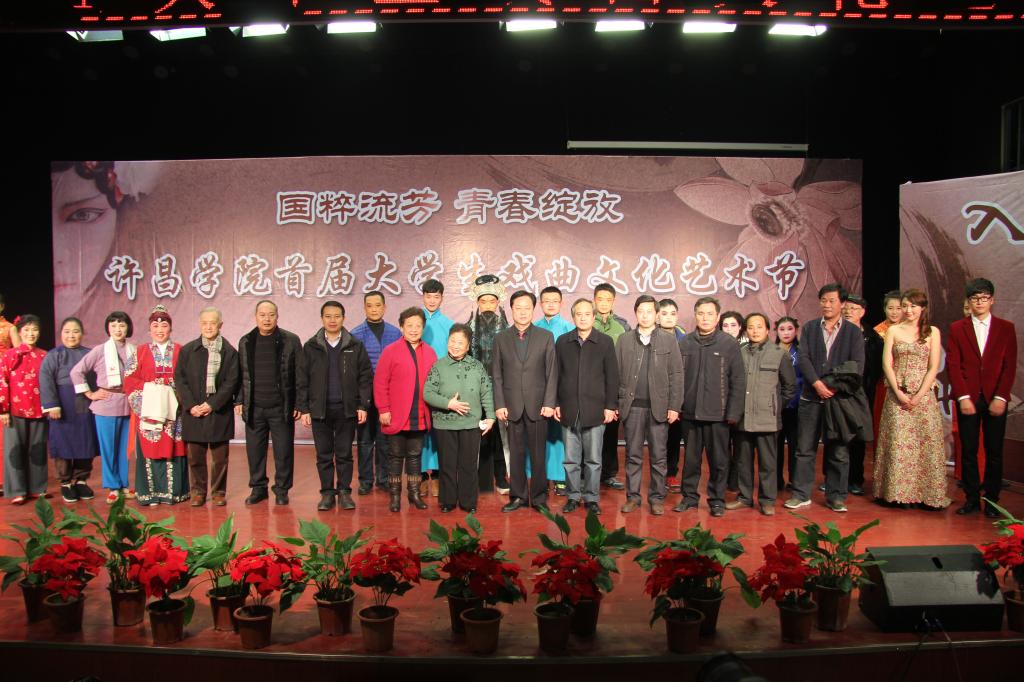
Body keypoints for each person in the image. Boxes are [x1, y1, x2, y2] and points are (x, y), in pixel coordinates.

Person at [788, 283, 865, 514]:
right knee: (804, 448)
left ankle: (836, 496)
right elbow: (803, 358)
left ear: (843, 303)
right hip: (811, 398)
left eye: (832, 300)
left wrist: (831, 386)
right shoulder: (811, 327)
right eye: (823, 300)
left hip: (838, 400)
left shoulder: (853, 332)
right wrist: (817, 383)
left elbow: (856, 366)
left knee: (838, 450)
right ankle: (800, 494)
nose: (827, 305)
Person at [873, 289, 950, 511]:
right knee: (898, 443)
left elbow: (933, 367)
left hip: (923, 395)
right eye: (905, 305)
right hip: (897, 393)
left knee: (925, 443)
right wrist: (898, 393)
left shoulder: (933, 332)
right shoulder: (893, 330)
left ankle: (927, 494)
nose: (908, 310)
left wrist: (919, 395)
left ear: (922, 308)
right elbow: (887, 364)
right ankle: (897, 494)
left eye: (913, 306)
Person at [947, 278, 1017, 517]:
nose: (979, 302)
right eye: (975, 298)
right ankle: (972, 499)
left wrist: (1001, 397)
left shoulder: (1006, 328)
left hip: (995, 397)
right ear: (968, 301)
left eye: (984, 298)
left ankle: (993, 501)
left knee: (994, 451)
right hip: (969, 397)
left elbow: (1009, 366)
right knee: (968, 451)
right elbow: (953, 365)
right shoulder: (958, 328)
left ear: (992, 300)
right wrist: (963, 397)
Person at [298, 301, 373, 512]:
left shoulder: (355, 345)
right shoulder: (311, 346)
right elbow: (302, 379)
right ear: (322, 318)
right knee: (323, 454)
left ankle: (344, 492)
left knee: (344, 454)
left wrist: (362, 405)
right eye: (328, 316)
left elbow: (365, 378)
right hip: (319, 410)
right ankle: (327, 494)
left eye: (337, 316)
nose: (332, 320)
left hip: (346, 409)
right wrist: (304, 408)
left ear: (343, 318)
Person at [674, 298, 745, 516]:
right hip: (690, 413)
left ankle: (717, 500)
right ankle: (689, 498)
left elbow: (738, 380)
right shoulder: (685, 342)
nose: (705, 318)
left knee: (719, 461)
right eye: (701, 313)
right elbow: (676, 378)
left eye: (709, 314)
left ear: (717, 317)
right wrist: (677, 407)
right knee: (691, 461)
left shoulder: (728, 344)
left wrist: (733, 412)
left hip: (718, 414)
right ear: (695, 315)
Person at [617, 295, 683, 516]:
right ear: (636, 313)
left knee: (658, 456)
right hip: (632, 407)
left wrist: (674, 406)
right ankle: (633, 497)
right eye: (640, 311)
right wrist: (616, 403)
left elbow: (676, 374)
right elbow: (616, 373)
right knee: (633, 455)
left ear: (656, 315)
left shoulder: (668, 340)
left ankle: (656, 498)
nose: (645, 316)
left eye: (649, 312)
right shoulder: (624, 340)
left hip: (659, 408)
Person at [493, 290, 558, 513]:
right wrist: (500, 404)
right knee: (516, 455)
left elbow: (552, 372)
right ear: (511, 309)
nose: (522, 312)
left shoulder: (545, 336)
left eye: (527, 308)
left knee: (539, 456)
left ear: (533, 309)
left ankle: (539, 498)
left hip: (538, 406)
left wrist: (549, 403)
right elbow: (497, 374)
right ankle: (518, 496)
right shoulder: (501, 338)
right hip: (512, 406)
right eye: (518, 308)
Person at [236, 300, 304, 506]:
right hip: (254, 407)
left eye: (271, 315)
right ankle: (258, 488)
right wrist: (239, 400)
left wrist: (299, 404)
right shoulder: (246, 341)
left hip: (281, 408)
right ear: (256, 316)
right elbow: (241, 374)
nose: (267, 319)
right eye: (262, 315)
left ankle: (282, 490)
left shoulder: (290, 340)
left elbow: (300, 375)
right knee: (255, 452)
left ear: (277, 316)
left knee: (283, 452)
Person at [555, 298, 618, 516]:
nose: (583, 318)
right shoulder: (563, 341)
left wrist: (610, 406)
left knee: (593, 459)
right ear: (573, 317)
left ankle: (591, 498)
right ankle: (573, 496)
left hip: (595, 409)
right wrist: (556, 403)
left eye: (587, 314)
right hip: (569, 408)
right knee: (570, 459)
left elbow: (612, 377)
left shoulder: (605, 342)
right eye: (578, 314)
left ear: (593, 316)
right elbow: (556, 375)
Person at [729, 313, 797, 516]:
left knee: (768, 463)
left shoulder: (779, 354)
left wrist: (774, 405)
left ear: (767, 330)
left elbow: (789, 387)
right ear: (745, 330)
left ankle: (767, 500)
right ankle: (744, 497)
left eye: (759, 327)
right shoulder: (739, 352)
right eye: (751, 327)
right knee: (743, 461)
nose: (755, 331)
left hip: (768, 419)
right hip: (743, 417)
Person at [424, 324, 495, 514]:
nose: (455, 345)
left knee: (469, 465)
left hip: (471, 423)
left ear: (468, 346)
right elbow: (427, 393)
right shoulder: (438, 366)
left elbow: (486, 392)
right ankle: (447, 501)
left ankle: (468, 502)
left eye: (460, 342)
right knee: (447, 465)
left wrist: (490, 416)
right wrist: (449, 403)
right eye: (452, 341)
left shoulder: (477, 366)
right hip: (445, 424)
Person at [174, 307, 241, 508]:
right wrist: (191, 405)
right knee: (195, 457)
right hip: (194, 412)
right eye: (205, 323)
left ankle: (219, 492)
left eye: (213, 323)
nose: (208, 327)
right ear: (200, 325)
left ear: (220, 325)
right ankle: (198, 492)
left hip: (219, 411)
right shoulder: (188, 350)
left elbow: (232, 382)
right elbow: (180, 380)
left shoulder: (229, 352)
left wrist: (212, 404)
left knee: (220, 459)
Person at [374, 307, 438, 512]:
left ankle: (414, 493)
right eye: (409, 325)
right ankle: (394, 496)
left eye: (418, 325)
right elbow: (380, 383)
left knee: (415, 456)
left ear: (423, 328)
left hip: (420, 413)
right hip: (396, 414)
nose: (414, 329)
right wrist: (383, 409)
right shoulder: (390, 351)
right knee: (395, 456)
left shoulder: (430, 352)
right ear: (401, 327)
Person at [123, 305, 188, 506]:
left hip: (174, 411)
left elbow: (189, 379)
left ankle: (174, 493)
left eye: (164, 326)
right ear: (149, 329)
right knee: (149, 449)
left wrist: (175, 395)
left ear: (171, 328)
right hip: (149, 410)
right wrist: (153, 391)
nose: (160, 330)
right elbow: (130, 379)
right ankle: (149, 494)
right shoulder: (140, 352)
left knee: (174, 448)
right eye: (155, 326)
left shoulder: (181, 351)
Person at [71, 311, 136, 504]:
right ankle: (113, 487)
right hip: (106, 404)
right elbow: (76, 372)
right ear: (108, 328)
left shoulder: (134, 350)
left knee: (124, 449)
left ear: (128, 328)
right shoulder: (100, 350)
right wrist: (90, 393)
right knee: (109, 448)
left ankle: (123, 484)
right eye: (113, 325)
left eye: (122, 325)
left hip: (128, 402)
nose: (118, 329)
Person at [40, 317, 98, 504]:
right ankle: (65, 482)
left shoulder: (90, 354)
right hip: (62, 405)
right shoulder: (54, 355)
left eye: (75, 331)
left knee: (85, 440)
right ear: (61, 334)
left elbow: (98, 378)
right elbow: (46, 380)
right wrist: (52, 405)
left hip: (84, 403)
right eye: (67, 331)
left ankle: (81, 480)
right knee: (63, 442)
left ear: (82, 333)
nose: (71, 335)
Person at [350, 291, 401, 495]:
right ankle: (365, 480)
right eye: (369, 305)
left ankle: (384, 478)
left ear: (384, 307)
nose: (374, 309)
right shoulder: (355, 334)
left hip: (388, 396)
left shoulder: (395, 333)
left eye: (378, 305)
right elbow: (352, 370)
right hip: (364, 395)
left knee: (384, 440)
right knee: (364, 440)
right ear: (364, 308)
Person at [465, 275, 511, 494]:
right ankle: (481, 480)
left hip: (500, 389)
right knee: (480, 431)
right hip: (475, 390)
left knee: (501, 435)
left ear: (498, 302)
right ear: (477, 303)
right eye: (483, 302)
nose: (488, 306)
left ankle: (501, 477)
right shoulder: (469, 327)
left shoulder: (507, 328)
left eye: (492, 301)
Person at [1, 315, 49, 504]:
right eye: (27, 330)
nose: (31, 333)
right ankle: (17, 490)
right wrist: (3, 410)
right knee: (14, 450)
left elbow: (49, 383)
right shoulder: (10, 355)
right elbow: (2, 380)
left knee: (37, 449)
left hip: (38, 409)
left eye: (34, 329)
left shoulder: (44, 355)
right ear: (19, 332)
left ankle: (37, 488)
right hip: (15, 410)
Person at [534, 286, 575, 497]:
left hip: (561, 390)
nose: (550, 304)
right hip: (538, 390)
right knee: (539, 434)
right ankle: (539, 476)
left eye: (554, 301)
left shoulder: (570, 329)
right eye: (546, 301)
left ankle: (560, 477)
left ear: (561, 303)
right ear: (540, 304)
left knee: (560, 436)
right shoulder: (533, 328)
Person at [842, 294, 883, 497]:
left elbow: (876, 368)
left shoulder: (873, 337)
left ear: (863, 312)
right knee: (837, 436)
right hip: (838, 392)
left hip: (862, 393)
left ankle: (855, 479)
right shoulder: (834, 332)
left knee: (857, 438)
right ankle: (834, 478)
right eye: (846, 308)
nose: (848, 312)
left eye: (854, 308)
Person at [592, 283, 629, 491]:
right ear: (594, 300)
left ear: (613, 301)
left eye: (608, 299)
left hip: (614, 388)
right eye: (600, 299)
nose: (604, 303)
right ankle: (587, 475)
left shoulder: (622, 326)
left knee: (611, 434)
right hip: (591, 388)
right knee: (588, 433)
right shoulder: (587, 321)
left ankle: (609, 474)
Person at [419, 279, 452, 498]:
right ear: (423, 297)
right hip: (418, 384)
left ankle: (439, 475)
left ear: (442, 298)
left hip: (441, 386)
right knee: (420, 430)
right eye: (428, 296)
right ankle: (421, 476)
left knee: (440, 430)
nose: (432, 300)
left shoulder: (448, 324)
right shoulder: (415, 321)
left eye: (436, 297)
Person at [657, 298, 686, 494]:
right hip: (657, 396)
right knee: (658, 440)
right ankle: (657, 476)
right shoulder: (650, 336)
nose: (668, 317)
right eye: (664, 313)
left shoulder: (685, 338)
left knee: (674, 438)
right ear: (657, 316)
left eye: (672, 313)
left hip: (678, 396)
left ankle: (671, 473)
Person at [872, 290, 904, 445]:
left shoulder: (911, 330)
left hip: (906, 381)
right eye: (890, 308)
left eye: (899, 308)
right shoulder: (877, 332)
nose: (894, 312)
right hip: (884, 382)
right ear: (884, 309)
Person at [774, 316, 802, 492]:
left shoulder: (801, 351)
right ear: (776, 331)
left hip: (797, 404)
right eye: (782, 329)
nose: (785, 333)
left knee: (795, 445)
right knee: (775, 446)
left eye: (789, 329)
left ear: (796, 331)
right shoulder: (771, 350)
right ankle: (776, 480)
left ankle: (794, 480)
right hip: (776, 405)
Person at [0, 293, 20, 497]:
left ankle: (3, 480)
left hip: (4, 381)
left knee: (2, 435)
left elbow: (19, 355)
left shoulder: (9, 328)